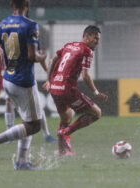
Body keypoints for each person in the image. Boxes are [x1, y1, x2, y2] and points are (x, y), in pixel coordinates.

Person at [0, 0, 47, 170]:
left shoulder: (3, 24)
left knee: (27, 122)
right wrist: (42, 57)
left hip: (8, 79)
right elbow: (31, 56)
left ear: (11, 5)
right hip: (24, 81)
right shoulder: (30, 25)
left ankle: (21, 162)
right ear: (27, 5)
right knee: (34, 125)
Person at [43, 25, 108, 156]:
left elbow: (53, 59)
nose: (97, 42)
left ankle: (62, 151)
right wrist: (96, 93)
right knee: (96, 113)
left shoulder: (69, 45)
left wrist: (49, 80)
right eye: (95, 38)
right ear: (87, 36)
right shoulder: (87, 51)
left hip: (55, 88)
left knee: (67, 117)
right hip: (68, 90)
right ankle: (66, 132)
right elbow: (85, 75)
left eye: (99, 39)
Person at [4, 8, 57, 143]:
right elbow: (35, 56)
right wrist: (43, 62)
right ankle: (9, 138)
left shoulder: (6, 29)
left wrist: (47, 73)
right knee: (30, 117)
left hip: (9, 77)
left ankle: (44, 135)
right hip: (22, 79)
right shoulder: (28, 32)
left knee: (28, 109)